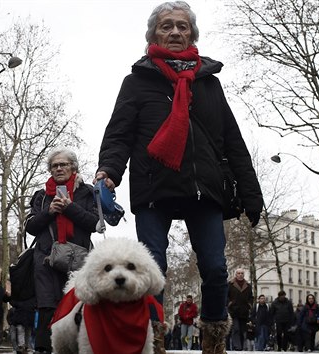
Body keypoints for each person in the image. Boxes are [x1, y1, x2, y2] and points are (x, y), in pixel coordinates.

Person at [94, 1, 263, 353]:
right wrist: (109, 171)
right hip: (154, 185)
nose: (174, 32)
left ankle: (214, 341)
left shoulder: (209, 85)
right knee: (153, 268)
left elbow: (232, 141)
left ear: (192, 34)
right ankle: (151, 339)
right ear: (154, 33)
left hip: (205, 189)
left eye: (182, 26)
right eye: (167, 26)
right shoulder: (136, 82)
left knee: (216, 270)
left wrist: (251, 193)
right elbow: (119, 134)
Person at [25, 148, 99, 354]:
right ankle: (44, 348)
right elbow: (30, 227)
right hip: (46, 258)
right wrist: (50, 212)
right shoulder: (41, 196)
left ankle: (76, 347)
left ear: (73, 167)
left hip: (78, 257)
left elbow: (95, 223)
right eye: (54, 166)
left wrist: (69, 207)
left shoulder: (88, 192)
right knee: (47, 305)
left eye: (63, 164)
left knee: (76, 304)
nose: (58, 168)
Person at [227, 268, 254, 351]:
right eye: (238, 273)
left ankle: (241, 347)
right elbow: (226, 296)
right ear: (236, 274)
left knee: (243, 330)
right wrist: (229, 304)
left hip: (244, 311)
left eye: (242, 273)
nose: (240, 274)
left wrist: (249, 305)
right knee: (236, 329)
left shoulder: (248, 285)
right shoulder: (230, 284)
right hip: (233, 311)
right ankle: (236, 346)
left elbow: (251, 297)